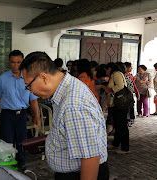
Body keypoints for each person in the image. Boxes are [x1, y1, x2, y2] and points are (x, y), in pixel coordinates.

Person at [20, 51, 108, 180]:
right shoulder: (65, 89)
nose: (30, 91)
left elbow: (90, 158)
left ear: (44, 78)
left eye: (29, 86)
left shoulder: (73, 105)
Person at [0, 50, 40, 170]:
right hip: (7, 114)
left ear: (22, 62)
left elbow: (33, 100)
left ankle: (21, 162)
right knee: (7, 141)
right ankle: (8, 164)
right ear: (9, 62)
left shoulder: (29, 78)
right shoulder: (2, 79)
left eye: (18, 62)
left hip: (22, 114)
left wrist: (36, 116)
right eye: (13, 62)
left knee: (21, 140)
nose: (16, 65)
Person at [105, 63, 130, 154]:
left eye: (107, 69)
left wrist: (110, 90)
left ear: (110, 68)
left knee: (122, 125)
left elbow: (120, 86)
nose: (106, 72)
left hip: (120, 104)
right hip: (117, 104)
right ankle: (116, 143)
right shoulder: (118, 74)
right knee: (118, 125)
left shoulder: (116, 74)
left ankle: (125, 147)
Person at [124, 62, 139, 126]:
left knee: (131, 106)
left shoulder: (130, 75)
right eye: (130, 67)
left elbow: (133, 84)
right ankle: (127, 120)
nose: (131, 68)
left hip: (131, 93)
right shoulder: (124, 75)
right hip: (126, 94)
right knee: (127, 107)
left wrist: (137, 91)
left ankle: (131, 119)